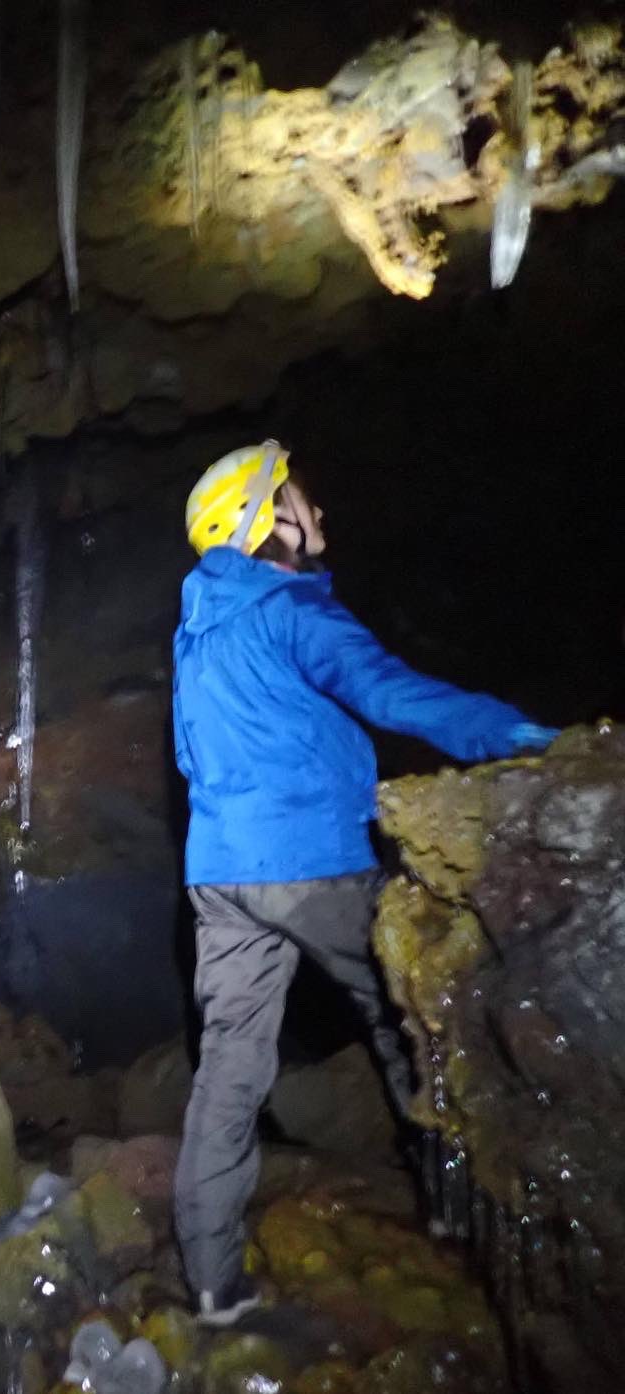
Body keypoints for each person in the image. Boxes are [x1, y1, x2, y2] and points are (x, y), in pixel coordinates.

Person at [170, 440, 558, 1327]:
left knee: (229, 1070)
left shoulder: (199, 628)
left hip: (220, 875)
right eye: (302, 500)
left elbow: (197, 752)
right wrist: (523, 738)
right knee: (415, 1023)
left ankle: (209, 1284)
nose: (319, 515)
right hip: (313, 858)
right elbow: (391, 692)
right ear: (269, 519)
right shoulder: (288, 609)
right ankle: (460, 1226)